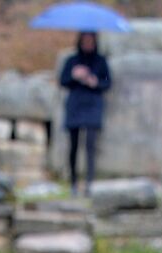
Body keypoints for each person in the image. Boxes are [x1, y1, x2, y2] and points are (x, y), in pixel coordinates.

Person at [59, 32, 111, 195]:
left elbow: (107, 83)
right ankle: (73, 182)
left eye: (91, 41)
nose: (88, 44)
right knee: (73, 146)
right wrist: (75, 76)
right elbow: (63, 81)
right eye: (85, 41)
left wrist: (94, 82)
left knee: (90, 146)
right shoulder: (72, 60)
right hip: (75, 105)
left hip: (93, 105)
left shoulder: (100, 61)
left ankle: (90, 182)